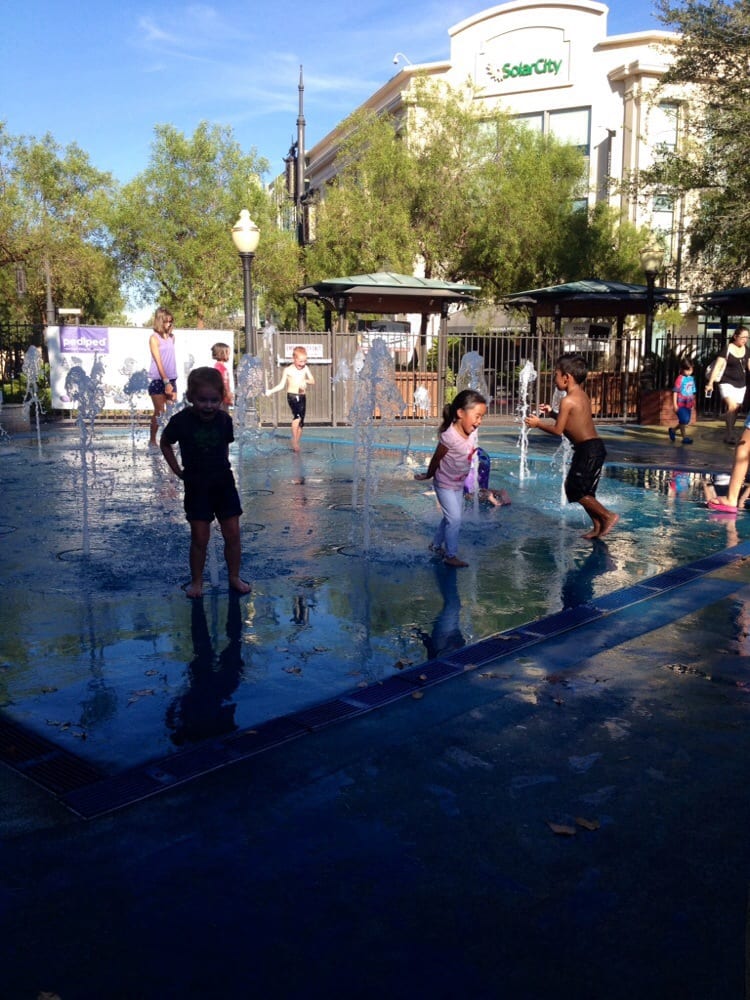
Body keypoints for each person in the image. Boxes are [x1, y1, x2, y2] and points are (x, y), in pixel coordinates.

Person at [160, 367, 252, 599]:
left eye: (214, 400)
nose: (209, 405)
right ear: (190, 397)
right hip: (197, 485)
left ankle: (233, 576)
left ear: (221, 398)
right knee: (200, 537)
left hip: (223, 483)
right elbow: (165, 442)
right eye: (202, 400)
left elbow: (225, 447)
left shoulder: (224, 420)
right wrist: (178, 471)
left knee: (232, 533)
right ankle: (197, 581)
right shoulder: (181, 421)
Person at [525, 352, 618, 539]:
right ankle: (598, 525)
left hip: (587, 450)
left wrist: (538, 424)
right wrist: (552, 413)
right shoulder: (581, 396)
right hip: (593, 448)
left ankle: (608, 516)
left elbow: (559, 431)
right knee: (585, 490)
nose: (554, 380)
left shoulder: (567, 400)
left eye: (555, 375)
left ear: (566, 378)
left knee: (575, 489)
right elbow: (571, 423)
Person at [414, 388, 487, 567]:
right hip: (444, 484)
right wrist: (428, 474)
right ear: (460, 413)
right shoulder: (449, 436)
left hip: (458, 484)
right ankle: (450, 555)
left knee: (449, 518)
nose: (479, 422)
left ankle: (436, 545)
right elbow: (436, 458)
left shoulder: (470, 434)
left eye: (481, 417)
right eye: (477, 416)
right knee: (454, 519)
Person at [705, 325, 750, 445]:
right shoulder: (728, 349)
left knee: (735, 410)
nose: (745, 339)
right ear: (735, 336)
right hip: (726, 382)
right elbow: (717, 366)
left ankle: (726, 427)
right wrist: (710, 383)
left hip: (741, 384)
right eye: (743, 337)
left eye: (747, 337)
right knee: (732, 406)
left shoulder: (746, 349)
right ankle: (730, 434)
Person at [265, 346, 315, 451]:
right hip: (292, 395)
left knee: (302, 422)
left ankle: (295, 440)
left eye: (305, 361)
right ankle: (295, 442)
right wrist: (270, 391)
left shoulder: (305, 368)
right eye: (300, 361)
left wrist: (305, 381)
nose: (302, 364)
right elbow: (281, 385)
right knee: (297, 416)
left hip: (302, 396)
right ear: (294, 359)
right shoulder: (288, 370)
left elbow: (312, 380)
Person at [147, 306, 177, 447]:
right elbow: (158, 362)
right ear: (160, 321)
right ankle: (153, 440)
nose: (169, 324)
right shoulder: (154, 338)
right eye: (166, 321)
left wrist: (170, 381)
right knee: (160, 412)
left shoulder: (172, 337)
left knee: (172, 413)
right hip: (159, 380)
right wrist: (166, 382)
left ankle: (168, 440)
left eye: (171, 321)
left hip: (172, 379)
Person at [669, 358, 695, 444]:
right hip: (681, 404)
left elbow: (693, 391)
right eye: (687, 370)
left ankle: (673, 430)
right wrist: (675, 405)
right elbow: (675, 392)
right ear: (682, 369)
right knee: (683, 420)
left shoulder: (691, 378)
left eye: (690, 370)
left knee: (685, 421)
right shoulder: (680, 379)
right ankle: (684, 438)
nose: (689, 372)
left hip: (688, 404)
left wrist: (693, 403)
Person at [211, 342, 234, 409]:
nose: (229, 355)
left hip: (224, 398)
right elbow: (222, 383)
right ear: (222, 354)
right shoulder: (219, 368)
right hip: (221, 399)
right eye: (227, 353)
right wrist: (227, 395)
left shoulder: (221, 367)